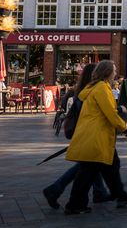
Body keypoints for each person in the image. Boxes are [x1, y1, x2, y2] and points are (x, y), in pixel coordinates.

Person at [62, 60, 127, 214]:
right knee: (87, 174)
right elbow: (110, 113)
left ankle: (120, 195)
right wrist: (125, 129)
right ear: (108, 72)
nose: (116, 73)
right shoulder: (102, 89)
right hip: (96, 137)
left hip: (96, 136)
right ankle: (74, 205)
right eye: (114, 70)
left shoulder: (94, 87)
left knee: (110, 166)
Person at [43, 64, 110, 210]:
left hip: (84, 134)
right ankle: (55, 190)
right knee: (87, 165)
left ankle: (99, 191)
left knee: (91, 164)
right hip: (88, 135)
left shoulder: (81, 92)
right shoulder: (90, 93)